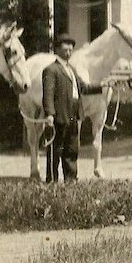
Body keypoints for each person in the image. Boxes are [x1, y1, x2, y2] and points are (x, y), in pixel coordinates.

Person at [42, 35, 102, 184]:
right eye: (65, 49)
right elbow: (48, 94)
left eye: (71, 50)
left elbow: (84, 88)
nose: (69, 52)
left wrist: (103, 85)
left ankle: (71, 180)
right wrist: (49, 114)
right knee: (55, 149)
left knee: (72, 149)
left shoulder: (71, 70)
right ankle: (52, 182)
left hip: (74, 113)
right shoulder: (51, 70)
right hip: (59, 115)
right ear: (57, 50)